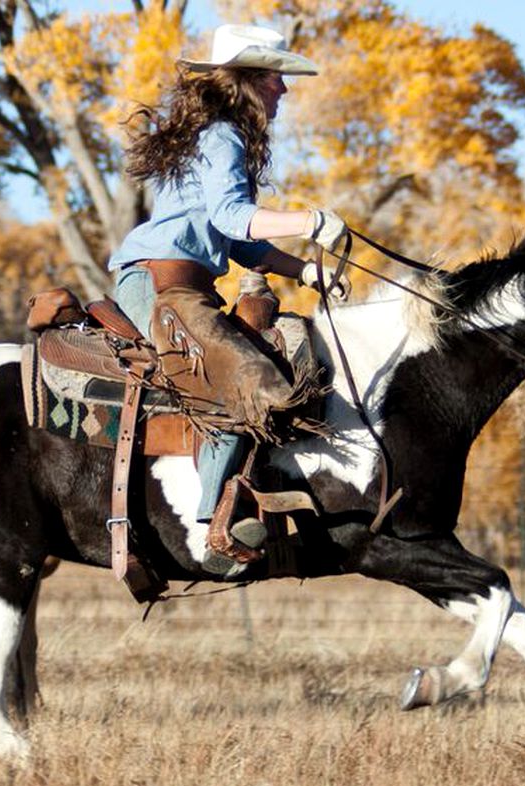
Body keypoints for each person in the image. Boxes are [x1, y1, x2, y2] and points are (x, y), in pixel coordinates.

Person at [109, 24, 351, 575]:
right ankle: (213, 532)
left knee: (259, 364)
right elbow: (231, 218)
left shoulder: (215, 137)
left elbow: (241, 242)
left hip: (180, 285)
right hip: (160, 285)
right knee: (248, 377)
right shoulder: (222, 136)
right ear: (246, 81)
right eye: (275, 78)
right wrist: (310, 221)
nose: (283, 91)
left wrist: (306, 271)